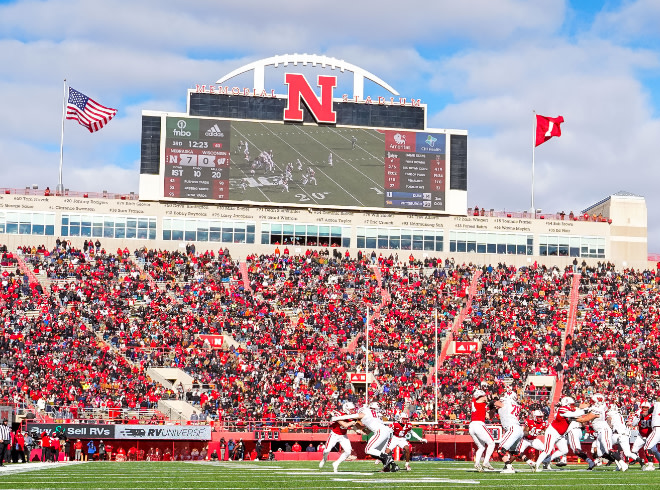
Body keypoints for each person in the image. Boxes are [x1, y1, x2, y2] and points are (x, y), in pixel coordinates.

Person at [535, 396, 586, 472]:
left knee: (564, 450)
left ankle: (546, 460)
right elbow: (570, 414)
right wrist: (585, 411)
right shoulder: (563, 408)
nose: (573, 406)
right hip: (552, 432)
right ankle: (536, 466)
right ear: (567, 404)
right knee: (547, 450)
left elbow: (575, 416)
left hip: (560, 435)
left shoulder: (568, 409)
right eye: (571, 404)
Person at [577, 393, 627, 471]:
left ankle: (622, 463)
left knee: (608, 450)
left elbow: (584, 419)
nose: (591, 402)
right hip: (600, 432)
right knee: (601, 453)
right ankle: (618, 464)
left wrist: (571, 418)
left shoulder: (597, 409)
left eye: (593, 401)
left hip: (604, 430)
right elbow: (584, 406)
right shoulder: (602, 406)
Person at [493, 391, 524, 473]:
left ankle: (509, 467)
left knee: (500, 450)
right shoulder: (516, 405)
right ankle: (508, 466)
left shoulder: (505, 401)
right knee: (513, 452)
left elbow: (495, 403)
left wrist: (490, 405)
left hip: (512, 428)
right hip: (519, 429)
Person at [469, 389, 495, 472]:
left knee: (481, 447)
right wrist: (497, 399)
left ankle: (477, 463)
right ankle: (486, 462)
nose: (484, 397)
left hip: (472, 425)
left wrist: (494, 409)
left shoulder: (478, 403)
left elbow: (488, 416)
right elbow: (490, 398)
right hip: (478, 424)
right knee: (491, 443)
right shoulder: (478, 400)